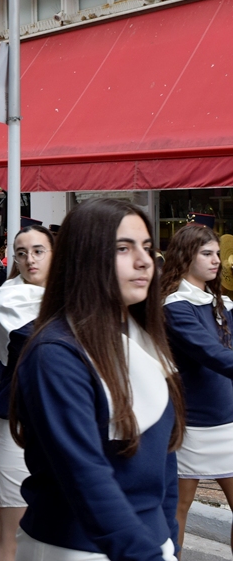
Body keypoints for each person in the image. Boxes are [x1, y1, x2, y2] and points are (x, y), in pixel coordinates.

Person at [10, 198, 184, 560]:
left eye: (148, 248)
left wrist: (168, 540)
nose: (143, 261)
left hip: (147, 545)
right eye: (123, 248)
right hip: (73, 549)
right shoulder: (54, 353)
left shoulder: (147, 339)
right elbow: (85, 479)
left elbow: (164, 462)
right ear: (84, 257)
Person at [159, 222, 233, 551]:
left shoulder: (223, 303)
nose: (216, 260)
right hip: (193, 425)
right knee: (177, 511)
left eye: (217, 253)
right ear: (187, 256)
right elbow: (213, 354)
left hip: (228, 421)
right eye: (207, 253)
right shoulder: (175, 306)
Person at [0, 223, 53, 561]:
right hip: (20, 420)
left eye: (39, 251)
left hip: (64, 422)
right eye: (22, 253)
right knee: (12, 536)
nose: (30, 259)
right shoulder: (8, 297)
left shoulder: (73, 295)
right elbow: (19, 348)